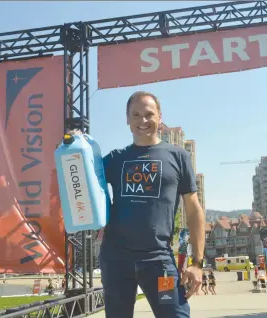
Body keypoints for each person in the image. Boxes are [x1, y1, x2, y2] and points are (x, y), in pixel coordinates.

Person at [98, 91, 206, 318]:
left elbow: (194, 211)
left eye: (149, 114)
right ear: (127, 119)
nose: (143, 121)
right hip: (117, 261)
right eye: (135, 115)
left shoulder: (178, 157)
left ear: (159, 116)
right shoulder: (115, 159)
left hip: (159, 262)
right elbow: (82, 181)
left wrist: (197, 263)